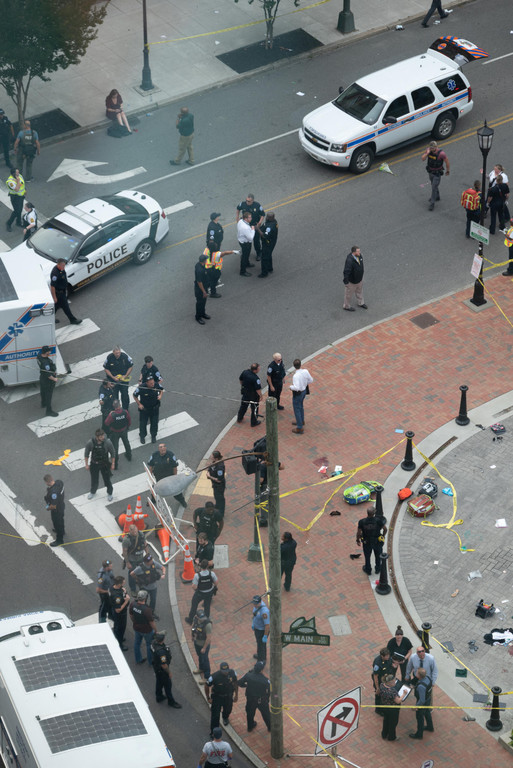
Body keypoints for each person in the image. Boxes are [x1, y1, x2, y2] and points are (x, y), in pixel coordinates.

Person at [148, 442, 187, 507]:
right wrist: (150, 475)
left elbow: (175, 467)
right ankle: (153, 500)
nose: (163, 448)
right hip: (159, 477)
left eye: (164, 447)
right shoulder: (154, 455)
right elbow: (151, 466)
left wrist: (175, 477)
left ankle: (182, 501)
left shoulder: (171, 455)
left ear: (166, 448)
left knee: (176, 490)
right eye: (161, 447)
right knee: (155, 490)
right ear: (159, 449)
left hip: (169, 476)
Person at [151, 630, 182, 708]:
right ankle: (171, 701)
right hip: (162, 671)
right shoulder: (161, 652)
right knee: (168, 686)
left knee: (159, 682)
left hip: (156, 667)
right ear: (163, 640)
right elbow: (164, 665)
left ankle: (159, 696)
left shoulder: (154, 643)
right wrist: (169, 672)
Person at [238, 661, 271, 732]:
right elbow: (269, 691)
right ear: (261, 670)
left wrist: (246, 685)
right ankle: (270, 727)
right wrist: (267, 699)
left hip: (250, 700)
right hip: (262, 701)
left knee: (250, 714)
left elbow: (239, 683)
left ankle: (250, 727)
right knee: (266, 715)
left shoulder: (248, 675)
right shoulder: (265, 680)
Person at [84, 428, 115, 501]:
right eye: (101, 437)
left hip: (104, 464)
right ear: (97, 437)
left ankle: (110, 493)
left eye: (103, 435)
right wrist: (86, 464)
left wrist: (113, 463)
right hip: (94, 464)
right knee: (94, 480)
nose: (103, 437)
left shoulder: (107, 442)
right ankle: (93, 492)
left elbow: (113, 453)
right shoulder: (90, 443)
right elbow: (86, 454)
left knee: (107, 480)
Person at [207, 662, 238, 734]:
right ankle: (214, 733)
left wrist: (236, 695)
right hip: (217, 697)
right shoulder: (214, 676)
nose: (226, 672)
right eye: (224, 671)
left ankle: (225, 717)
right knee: (215, 716)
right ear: (220, 670)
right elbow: (206, 685)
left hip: (228, 696)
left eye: (227, 670)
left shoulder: (232, 673)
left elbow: (235, 683)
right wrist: (208, 697)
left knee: (228, 709)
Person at [49, 259, 82, 325]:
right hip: (59, 293)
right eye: (62, 265)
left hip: (62, 291)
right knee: (65, 306)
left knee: (56, 306)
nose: (64, 267)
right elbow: (52, 286)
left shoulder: (61, 269)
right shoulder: (55, 274)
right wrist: (54, 297)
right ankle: (73, 320)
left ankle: (50, 319)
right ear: (58, 264)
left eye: (64, 265)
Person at [356, 506, 387, 574]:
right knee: (378, 556)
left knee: (367, 556)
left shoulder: (362, 522)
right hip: (377, 542)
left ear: (367, 513)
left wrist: (357, 540)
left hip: (367, 542)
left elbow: (359, 533)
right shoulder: (378, 521)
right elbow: (385, 529)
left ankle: (368, 569)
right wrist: (383, 536)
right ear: (374, 513)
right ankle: (378, 569)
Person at [186, 559, 218, 623]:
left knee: (194, 605)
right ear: (207, 566)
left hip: (200, 593)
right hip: (209, 593)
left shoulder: (197, 575)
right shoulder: (212, 574)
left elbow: (194, 586)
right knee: (207, 607)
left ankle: (190, 619)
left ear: (200, 566)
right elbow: (216, 583)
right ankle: (206, 621)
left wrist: (197, 589)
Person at [129, 589, 156, 665]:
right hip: (147, 630)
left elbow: (131, 615)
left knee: (137, 644)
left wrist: (135, 622)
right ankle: (150, 662)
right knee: (149, 645)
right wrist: (156, 630)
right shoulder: (147, 610)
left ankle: (138, 660)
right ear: (145, 598)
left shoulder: (132, 604)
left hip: (137, 628)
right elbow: (151, 622)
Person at [133, 376, 163, 444]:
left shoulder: (156, 384)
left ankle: (153, 435)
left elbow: (161, 389)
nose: (153, 384)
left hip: (154, 408)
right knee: (143, 424)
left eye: (153, 382)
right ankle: (142, 436)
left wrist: (160, 395)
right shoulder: (141, 387)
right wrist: (139, 404)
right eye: (151, 383)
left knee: (154, 423)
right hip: (145, 409)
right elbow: (134, 395)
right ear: (147, 383)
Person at [103, 346, 133, 411]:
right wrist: (113, 377)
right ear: (113, 352)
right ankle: (116, 410)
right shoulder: (109, 357)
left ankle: (125, 410)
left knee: (125, 395)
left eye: (119, 353)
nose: (118, 354)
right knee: (114, 397)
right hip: (113, 381)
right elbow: (106, 369)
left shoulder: (125, 356)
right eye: (116, 353)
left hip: (123, 380)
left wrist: (125, 376)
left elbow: (130, 366)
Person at [422, 140, 450, 210]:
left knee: (434, 187)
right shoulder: (428, 151)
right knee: (433, 184)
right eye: (431, 148)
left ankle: (432, 203)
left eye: (433, 148)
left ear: (436, 147)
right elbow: (423, 158)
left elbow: (447, 161)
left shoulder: (441, 154)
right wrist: (427, 153)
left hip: (437, 173)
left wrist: (448, 170)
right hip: (430, 172)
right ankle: (437, 196)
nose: (432, 149)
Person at [236, 193, 265, 261]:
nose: (247, 202)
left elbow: (263, 214)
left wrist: (259, 223)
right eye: (246, 200)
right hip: (246, 225)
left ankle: (259, 253)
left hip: (254, 225)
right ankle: (245, 253)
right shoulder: (243, 204)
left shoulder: (257, 205)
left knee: (256, 241)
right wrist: (237, 217)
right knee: (246, 241)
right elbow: (238, 209)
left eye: (249, 201)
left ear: (252, 201)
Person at [104, 399, 132, 468]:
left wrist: (109, 414)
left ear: (113, 406)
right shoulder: (125, 412)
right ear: (120, 405)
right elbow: (129, 421)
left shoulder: (112, 415)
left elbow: (106, 423)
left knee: (115, 448)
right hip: (123, 430)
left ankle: (115, 464)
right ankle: (129, 456)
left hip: (115, 432)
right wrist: (127, 427)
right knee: (126, 443)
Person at [122, 523, 149, 595]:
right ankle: (133, 589)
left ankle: (140, 583)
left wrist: (147, 554)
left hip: (140, 558)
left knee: (141, 571)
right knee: (132, 574)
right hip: (132, 560)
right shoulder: (126, 540)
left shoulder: (141, 534)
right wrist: (127, 562)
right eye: (134, 532)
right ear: (130, 531)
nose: (135, 533)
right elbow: (124, 552)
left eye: (136, 531)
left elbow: (145, 544)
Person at [379, 673, 407, 741]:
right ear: (389, 682)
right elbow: (398, 701)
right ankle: (391, 737)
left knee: (386, 720)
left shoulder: (382, 685)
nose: (395, 683)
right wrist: (404, 694)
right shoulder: (392, 691)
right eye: (394, 682)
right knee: (393, 723)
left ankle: (384, 734)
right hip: (393, 710)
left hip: (385, 706)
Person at [409, 667, 434, 739]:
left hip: (422, 703)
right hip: (428, 699)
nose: (415, 673)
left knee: (420, 718)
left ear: (419, 676)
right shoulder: (428, 678)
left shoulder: (421, 686)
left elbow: (422, 700)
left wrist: (416, 706)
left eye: (416, 673)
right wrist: (415, 687)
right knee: (427, 713)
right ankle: (430, 727)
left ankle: (419, 734)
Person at [290, 358, 313, 434]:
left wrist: (291, 387)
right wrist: (304, 383)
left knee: (297, 409)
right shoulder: (305, 371)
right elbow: (311, 380)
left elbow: (297, 388)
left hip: (298, 394)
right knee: (300, 406)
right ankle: (301, 421)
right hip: (304, 391)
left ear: (294, 366)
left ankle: (299, 427)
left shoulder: (295, 376)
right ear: (300, 364)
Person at [43, 474, 65, 547]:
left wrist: (48, 508)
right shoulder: (59, 482)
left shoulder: (53, 493)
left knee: (57, 523)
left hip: (56, 510)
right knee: (61, 520)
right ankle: (62, 531)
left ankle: (59, 540)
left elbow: (53, 505)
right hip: (61, 505)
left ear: (47, 482)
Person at [343, 245, 367, 311]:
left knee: (360, 292)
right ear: (354, 252)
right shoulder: (349, 260)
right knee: (348, 295)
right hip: (352, 282)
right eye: (358, 251)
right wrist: (346, 282)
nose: (360, 252)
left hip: (359, 280)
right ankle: (346, 306)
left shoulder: (359, 256)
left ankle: (361, 303)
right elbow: (346, 271)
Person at [191, 607, 212, 681]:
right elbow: (193, 627)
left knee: (205, 660)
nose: (203, 619)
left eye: (203, 617)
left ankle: (207, 676)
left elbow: (208, 638)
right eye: (201, 618)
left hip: (203, 645)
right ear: (197, 617)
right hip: (197, 642)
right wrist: (192, 636)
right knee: (200, 657)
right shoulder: (195, 619)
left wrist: (204, 648)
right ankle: (201, 669)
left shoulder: (208, 624)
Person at [37, 345, 59, 417]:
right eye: (49, 351)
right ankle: (49, 411)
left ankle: (43, 403)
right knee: (48, 395)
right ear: (46, 352)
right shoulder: (45, 363)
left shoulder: (39, 356)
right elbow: (49, 375)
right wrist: (54, 379)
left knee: (43, 391)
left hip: (42, 378)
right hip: (47, 381)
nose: (50, 352)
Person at [109, 575, 130, 650]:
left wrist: (124, 591)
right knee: (121, 628)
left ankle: (117, 636)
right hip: (120, 614)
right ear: (119, 584)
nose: (124, 584)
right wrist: (126, 601)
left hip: (114, 611)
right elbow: (118, 610)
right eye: (123, 583)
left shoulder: (112, 587)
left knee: (116, 626)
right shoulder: (117, 597)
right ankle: (119, 644)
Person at [372, 648, 393, 714]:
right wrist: (377, 688)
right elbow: (375, 676)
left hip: (386, 679)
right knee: (379, 695)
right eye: (386, 656)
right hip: (380, 680)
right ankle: (378, 710)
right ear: (382, 656)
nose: (388, 657)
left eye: (388, 655)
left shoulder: (388, 658)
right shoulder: (377, 663)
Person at [257, 211, 278, 277]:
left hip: (268, 243)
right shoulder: (272, 222)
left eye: (268, 217)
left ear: (271, 218)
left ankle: (264, 273)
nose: (266, 218)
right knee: (269, 255)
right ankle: (269, 268)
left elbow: (264, 236)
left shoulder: (270, 227)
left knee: (264, 258)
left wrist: (257, 229)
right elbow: (264, 227)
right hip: (270, 242)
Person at [251, 595, 270, 664]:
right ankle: (260, 655)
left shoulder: (264, 612)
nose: (254, 605)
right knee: (259, 644)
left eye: (256, 604)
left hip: (262, 631)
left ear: (260, 602)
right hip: (257, 629)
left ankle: (262, 660)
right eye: (254, 604)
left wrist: (265, 636)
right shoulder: (256, 607)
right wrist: (253, 624)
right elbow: (254, 615)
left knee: (261, 645)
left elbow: (267, 625)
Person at [207, 451, 226, 517]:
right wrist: (208, 471)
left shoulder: (220, 468)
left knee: (220, 499)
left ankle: (221, 512)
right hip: (215, 485)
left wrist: (210, 477)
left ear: (216, 458)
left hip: (219, 486)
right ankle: (217, 506)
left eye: (212, 456)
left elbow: (219, 480)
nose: (210, 457)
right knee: (216, 497)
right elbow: (210, 468)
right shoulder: (214, 462)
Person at [5, 166, 25, 231]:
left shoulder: (19, 176)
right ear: (13, 174)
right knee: (16, 211)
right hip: (15, 197)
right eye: (17, 173)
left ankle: (18, 222)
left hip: (21, 196)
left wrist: (25, 190)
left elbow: (23, 183)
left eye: (18, 172)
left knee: (20, 210)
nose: (18, 174)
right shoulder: (10, 181)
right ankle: (8, 223)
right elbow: (16, 189)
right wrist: (18, 181)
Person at [236, 210, 255, 276]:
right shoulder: (245, 228)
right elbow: (251, 238)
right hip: (245, 243)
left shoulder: (240, 221)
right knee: (245, 256)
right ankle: (243, 271)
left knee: (246, 254)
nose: (251, 218)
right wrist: (253, 229)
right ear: (245, 219)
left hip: (241, 241)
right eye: (250, 217)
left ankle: (247, 263)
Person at [194, 253, 210, 324]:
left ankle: (203, 313)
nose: (207, 260)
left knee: (203, 302)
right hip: (200, 290)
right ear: (203, 261)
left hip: (204, 287)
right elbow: (199, 282)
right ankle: (198, 317)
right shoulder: (200, 270)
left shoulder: (199, 264)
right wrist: (204, 291)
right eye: (206, 259)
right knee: (200, 303)